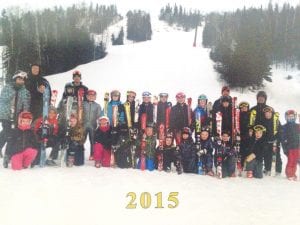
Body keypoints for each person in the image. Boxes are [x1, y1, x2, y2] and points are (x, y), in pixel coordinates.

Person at [0, 71, 30, 158]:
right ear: (15, 79)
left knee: (11, 133)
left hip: (17, 116)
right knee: (7, 132)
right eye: (19, 79)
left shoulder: (24, 91)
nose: (21, 81)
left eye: (22, 80)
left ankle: (8, 152)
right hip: (6, 114)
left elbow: (26, 103)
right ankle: (7, 153)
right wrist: (14, 92)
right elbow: (3, 98)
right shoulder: (8, 87)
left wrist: (25, 114)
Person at [261, 106, 282, 176]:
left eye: (269, 113)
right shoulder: (262, 121)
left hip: (275, 142)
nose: (267, 114)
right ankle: (267, 169)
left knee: (277, 156)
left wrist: (278, 139)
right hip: (266, 142)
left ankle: (278, 170)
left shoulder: (276, 121)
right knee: (267, 156)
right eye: (266, 113)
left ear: (272, 113)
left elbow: (280, 131)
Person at [281, 110, 300, 181]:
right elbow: (283, 139)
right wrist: (285, 149)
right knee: (291, 161)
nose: (291, 118)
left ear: (295, 117)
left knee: (295, 161)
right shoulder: (284, 127)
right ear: (286, 118)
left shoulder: (298, 126)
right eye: (289, 117)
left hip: (297, 147)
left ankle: (293, 173)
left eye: (292, 117)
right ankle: (289, 174)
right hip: (290, 148)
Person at [83, 90, 101, 160]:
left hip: (93, 125)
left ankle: (92, 154)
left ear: (95, 97)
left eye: (93, 96)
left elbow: (99, 115)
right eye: (89, 96)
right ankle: (80, 152)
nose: (91, 97)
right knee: (82, 139)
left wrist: (99, 124)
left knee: (93, 140)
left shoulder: (97, 106)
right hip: (83, 124)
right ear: (87, 96)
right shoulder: (83, 104)